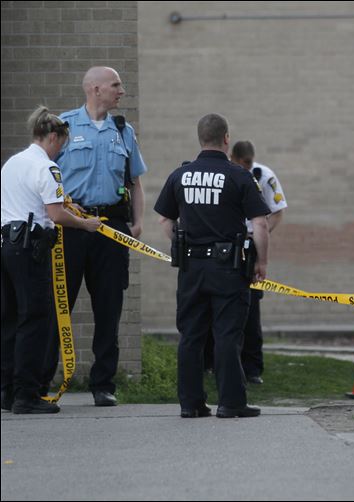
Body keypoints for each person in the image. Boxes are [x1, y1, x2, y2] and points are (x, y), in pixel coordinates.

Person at [40, 66, 148, 407]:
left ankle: (103, 384)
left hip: (110, 226)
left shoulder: (123, 130)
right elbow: (42, 175)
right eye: (116, 85)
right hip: (70, 227)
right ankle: (41, 383)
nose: (121, 91)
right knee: (59, 305)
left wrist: (137, 223)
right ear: (95, 88)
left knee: (109, 306)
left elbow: (136, 182)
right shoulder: (64, 126)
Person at [154, 113, 270, 419]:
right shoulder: (239, 176)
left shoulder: (180, 175)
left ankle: (190, 404)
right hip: (228, 268)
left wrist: (182, 244)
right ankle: (231, 403)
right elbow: (260, 224)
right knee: (227, 335)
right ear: (226, 138)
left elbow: (165, 219)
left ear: (200, 138)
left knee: (191, 335)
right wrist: (262, 262)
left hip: (191, 268)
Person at [1, 106, 101, 414]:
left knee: (10, 319)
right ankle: (27, 395)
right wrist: (85, 224)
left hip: (6, 245)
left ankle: (6, 391)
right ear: (53, 137)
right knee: (36, 320)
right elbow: (56, 214)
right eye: (62, 144)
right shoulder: (47, 168)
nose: (61, 151)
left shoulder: (13, 163)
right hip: (30, 248)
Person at [203, 140, 287, 384]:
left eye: (249, 163)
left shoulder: (264, 176)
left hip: (250, 244)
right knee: (214, 305)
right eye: (243, 163)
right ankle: (210, 362)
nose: (247, 168)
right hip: (224, 244)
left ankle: (252, 368)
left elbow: (277, 211)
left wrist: (259, 236)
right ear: (233, 158)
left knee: (250, 309)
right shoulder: (224, 174)